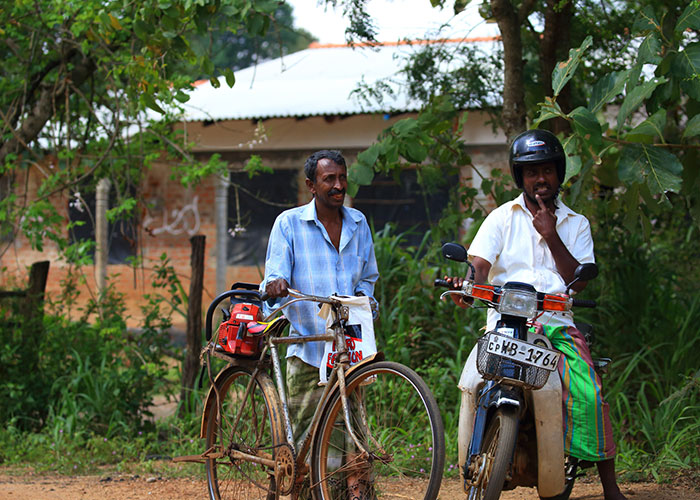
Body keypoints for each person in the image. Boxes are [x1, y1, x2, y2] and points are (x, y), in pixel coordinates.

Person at [447, 129, 627, 500]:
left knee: (589, 393)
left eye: (546, 170)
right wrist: (467, 287)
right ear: (520, 177)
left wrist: (551, 234)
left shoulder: (576, 224)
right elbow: (478, 265)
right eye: (531, 172)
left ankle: (611, 487)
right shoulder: (501, 217)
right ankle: (473, 458)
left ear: (558, 174)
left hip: (556, 325)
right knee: (472, 383)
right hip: (505, 324)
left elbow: (577, 282)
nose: (540, 179)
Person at [260, 149, 379, 499]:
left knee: (351, 435)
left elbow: (369, 277)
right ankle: (286, 493)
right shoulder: (289, 223)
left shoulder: (358, 223)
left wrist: (364, 298)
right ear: (312, 185)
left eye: (342, 178)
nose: (338, 185)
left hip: (349, 349)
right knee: (297, 443)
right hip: (308, 347)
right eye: (330, 179)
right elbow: (275, 273)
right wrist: (277, 284)